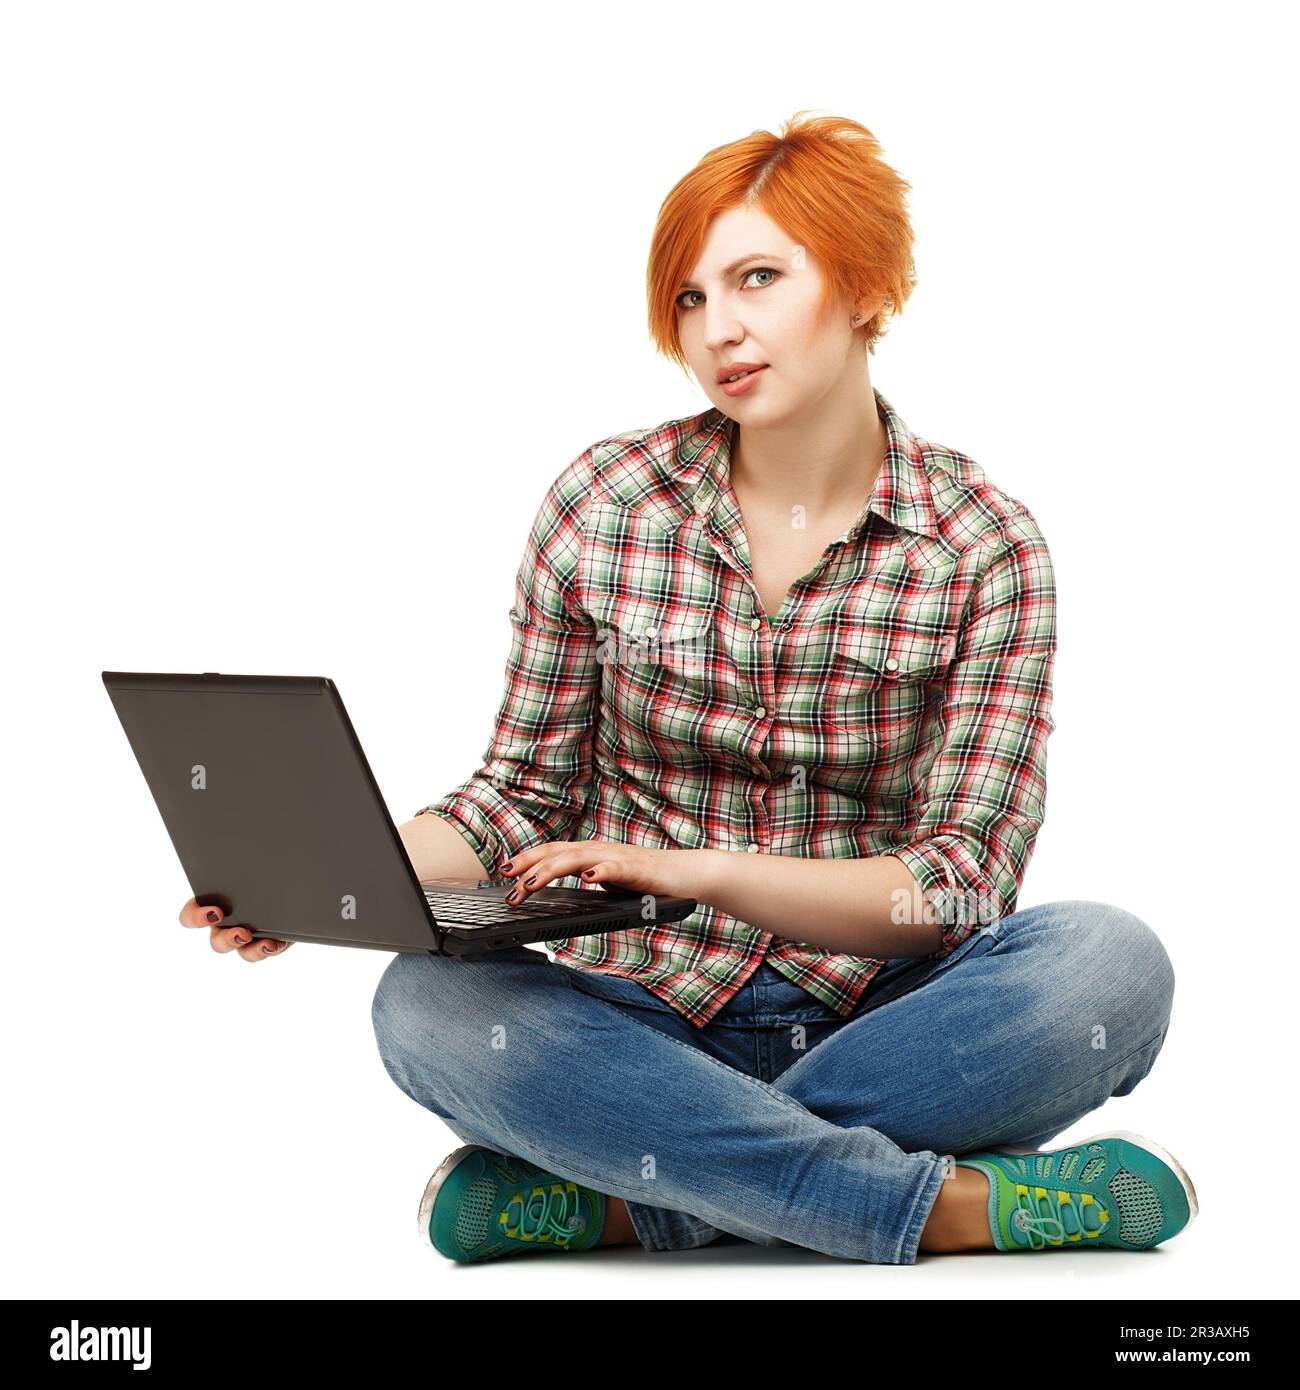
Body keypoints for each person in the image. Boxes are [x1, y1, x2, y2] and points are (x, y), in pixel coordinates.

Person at [180, 112, 1197, 1264]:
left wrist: (699, 872)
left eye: (758, 278)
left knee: (1111, 965)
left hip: (889, 1020)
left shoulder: (983, 543)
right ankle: (940, 1206)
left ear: (864, 287)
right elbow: (517, 797)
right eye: (690, 299)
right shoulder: (604, 502)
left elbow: (958, 887)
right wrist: (329, 881)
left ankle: (628, 1195)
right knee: (426, 1006)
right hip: (635, 1018)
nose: (720, 329)